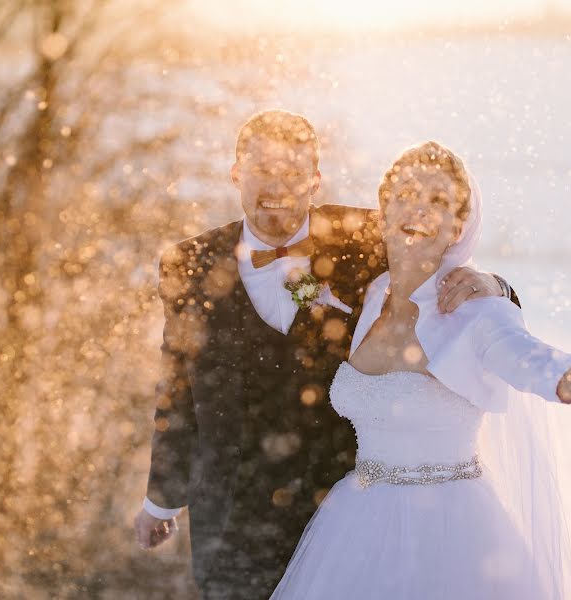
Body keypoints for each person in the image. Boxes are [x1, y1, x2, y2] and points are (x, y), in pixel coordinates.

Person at [269, 141, 571, 599]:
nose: (420, 210)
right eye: (407, 194)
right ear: (382, 213)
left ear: (457, 227)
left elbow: (543, 366)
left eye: (438, 202)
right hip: (355, 525)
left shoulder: (474, 312)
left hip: (452, 534)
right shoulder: (368, 291)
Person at [133, 112, 522, 598]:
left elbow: (446, 259)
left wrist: (497, 286)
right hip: (232, 517)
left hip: (338, 513)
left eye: (294, 172)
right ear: (236, 172)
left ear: (316, 180)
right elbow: (176, 387)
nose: (278, 185)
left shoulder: (365, 238)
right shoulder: (189, 263)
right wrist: (162, 500)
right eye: (262, 169)